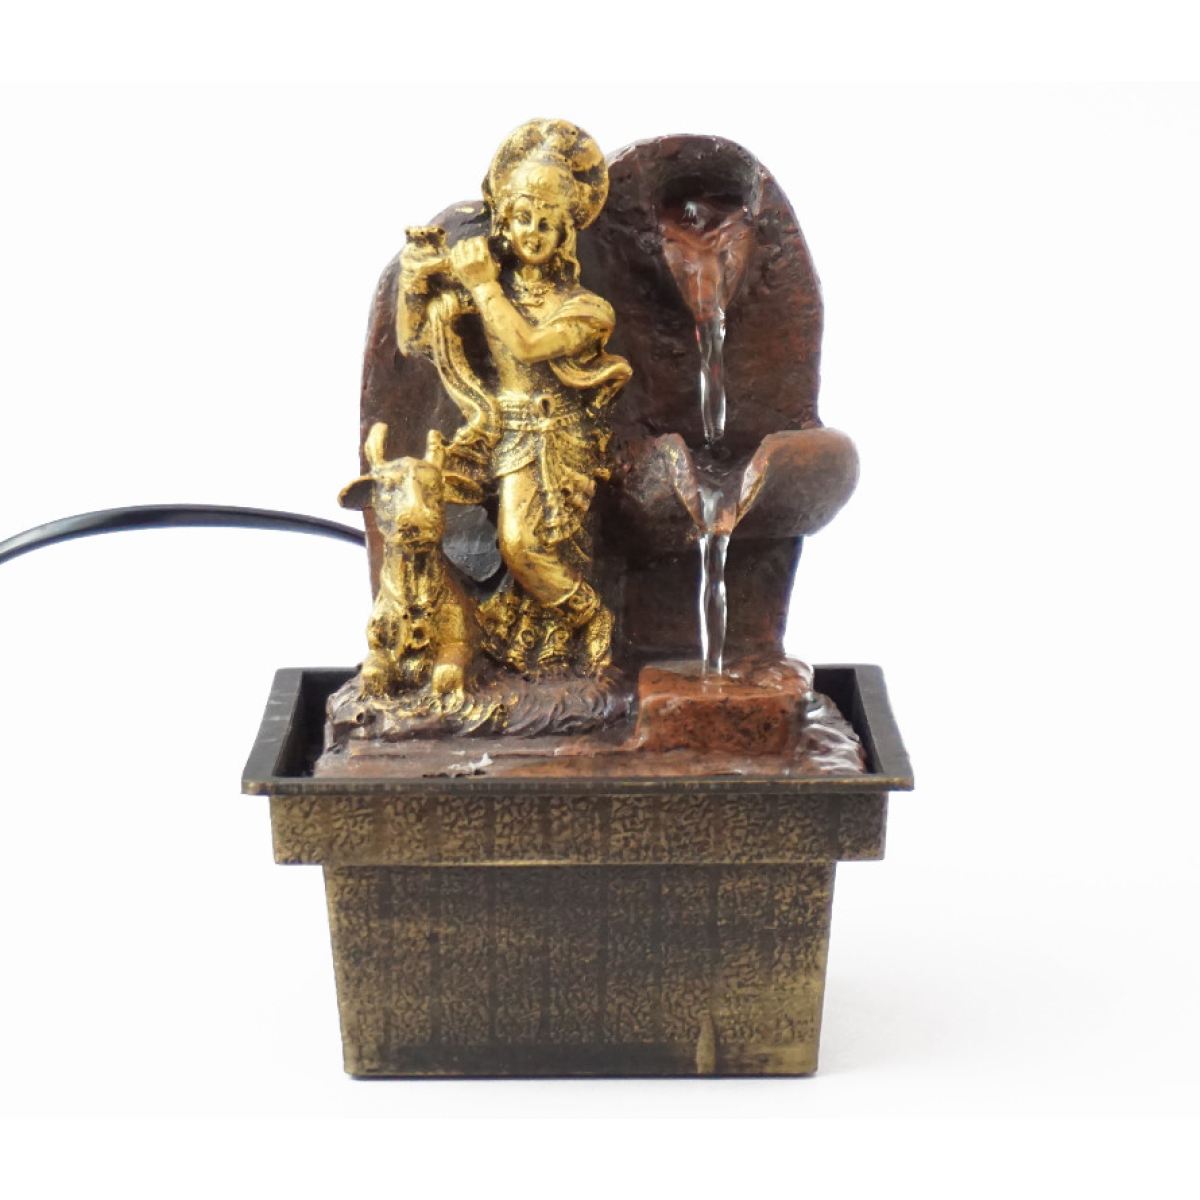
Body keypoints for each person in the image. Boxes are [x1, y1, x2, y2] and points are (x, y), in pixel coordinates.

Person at [402, 120, 631, 676]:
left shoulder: (587, 309)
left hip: (556, 439)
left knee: (524, 544)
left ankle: (591, 616)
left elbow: (527, 346)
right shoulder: (492, 290)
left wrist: (482, 285)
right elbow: (416, 343)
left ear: (566, 232)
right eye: (523, 218)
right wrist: (416, 286)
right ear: (504, 222)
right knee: (427, 522)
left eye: (547, 224)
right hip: (493, 430)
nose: (533, 233)